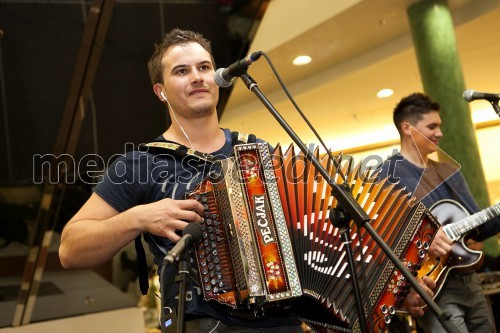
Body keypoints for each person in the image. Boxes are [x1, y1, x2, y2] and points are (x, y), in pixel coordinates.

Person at [58, 29, 434, 332]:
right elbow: (70, 248)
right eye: (182, 71)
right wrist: (138, 217)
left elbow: (321, 238)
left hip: (285, 322)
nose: (198, 77)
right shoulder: (140, 163)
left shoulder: (260, 155)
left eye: (204, 67)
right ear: (161, 91)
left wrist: (393, 288)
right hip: (208, 325)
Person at [379, 92, 500, 333]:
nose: (440, 133)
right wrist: (422, 239)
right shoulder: (386, 175)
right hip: (429, 285)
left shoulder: (449, 171)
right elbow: (381, 235)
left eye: (440, 126)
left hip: (468, 277)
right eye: (432, 126)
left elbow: (480, 226)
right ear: (407, 128)